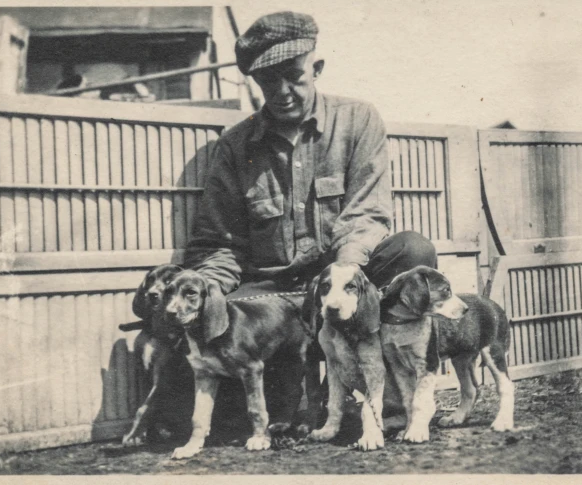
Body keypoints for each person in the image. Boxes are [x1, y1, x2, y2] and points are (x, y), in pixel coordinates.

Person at [182, 10, 437, 439]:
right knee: (233, 410)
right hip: (275, 297)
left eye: (293, 76)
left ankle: (395, 402)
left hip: (346, 276)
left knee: (412, 251)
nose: (282, 91)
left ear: (316, 68)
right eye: (268, 81)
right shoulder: (233, 147)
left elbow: (366, 215)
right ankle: (286, 404)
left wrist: (341, 282)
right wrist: (201, 295)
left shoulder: (358, 120)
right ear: (254, 83)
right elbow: (217, 244)